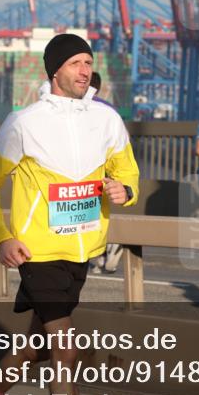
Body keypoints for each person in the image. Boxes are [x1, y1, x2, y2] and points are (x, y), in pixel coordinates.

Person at [0, 33, 140, 395]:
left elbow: (128, 171)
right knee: (65, 348)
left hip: (82, 252)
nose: (85, 70)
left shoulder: (106, 119)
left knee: (34, 346)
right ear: (54, 69)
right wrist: (1, 236)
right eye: (76, 62)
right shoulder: (25, 122)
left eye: (88, 62)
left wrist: (125, 190)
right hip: (37, 253)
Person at [87, 71, 121, 274]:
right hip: (106, 169)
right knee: (101, 211)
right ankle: (107, 248)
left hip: (82, 170)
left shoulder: (73, 107)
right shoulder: (109, 110)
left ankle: (93, 253)